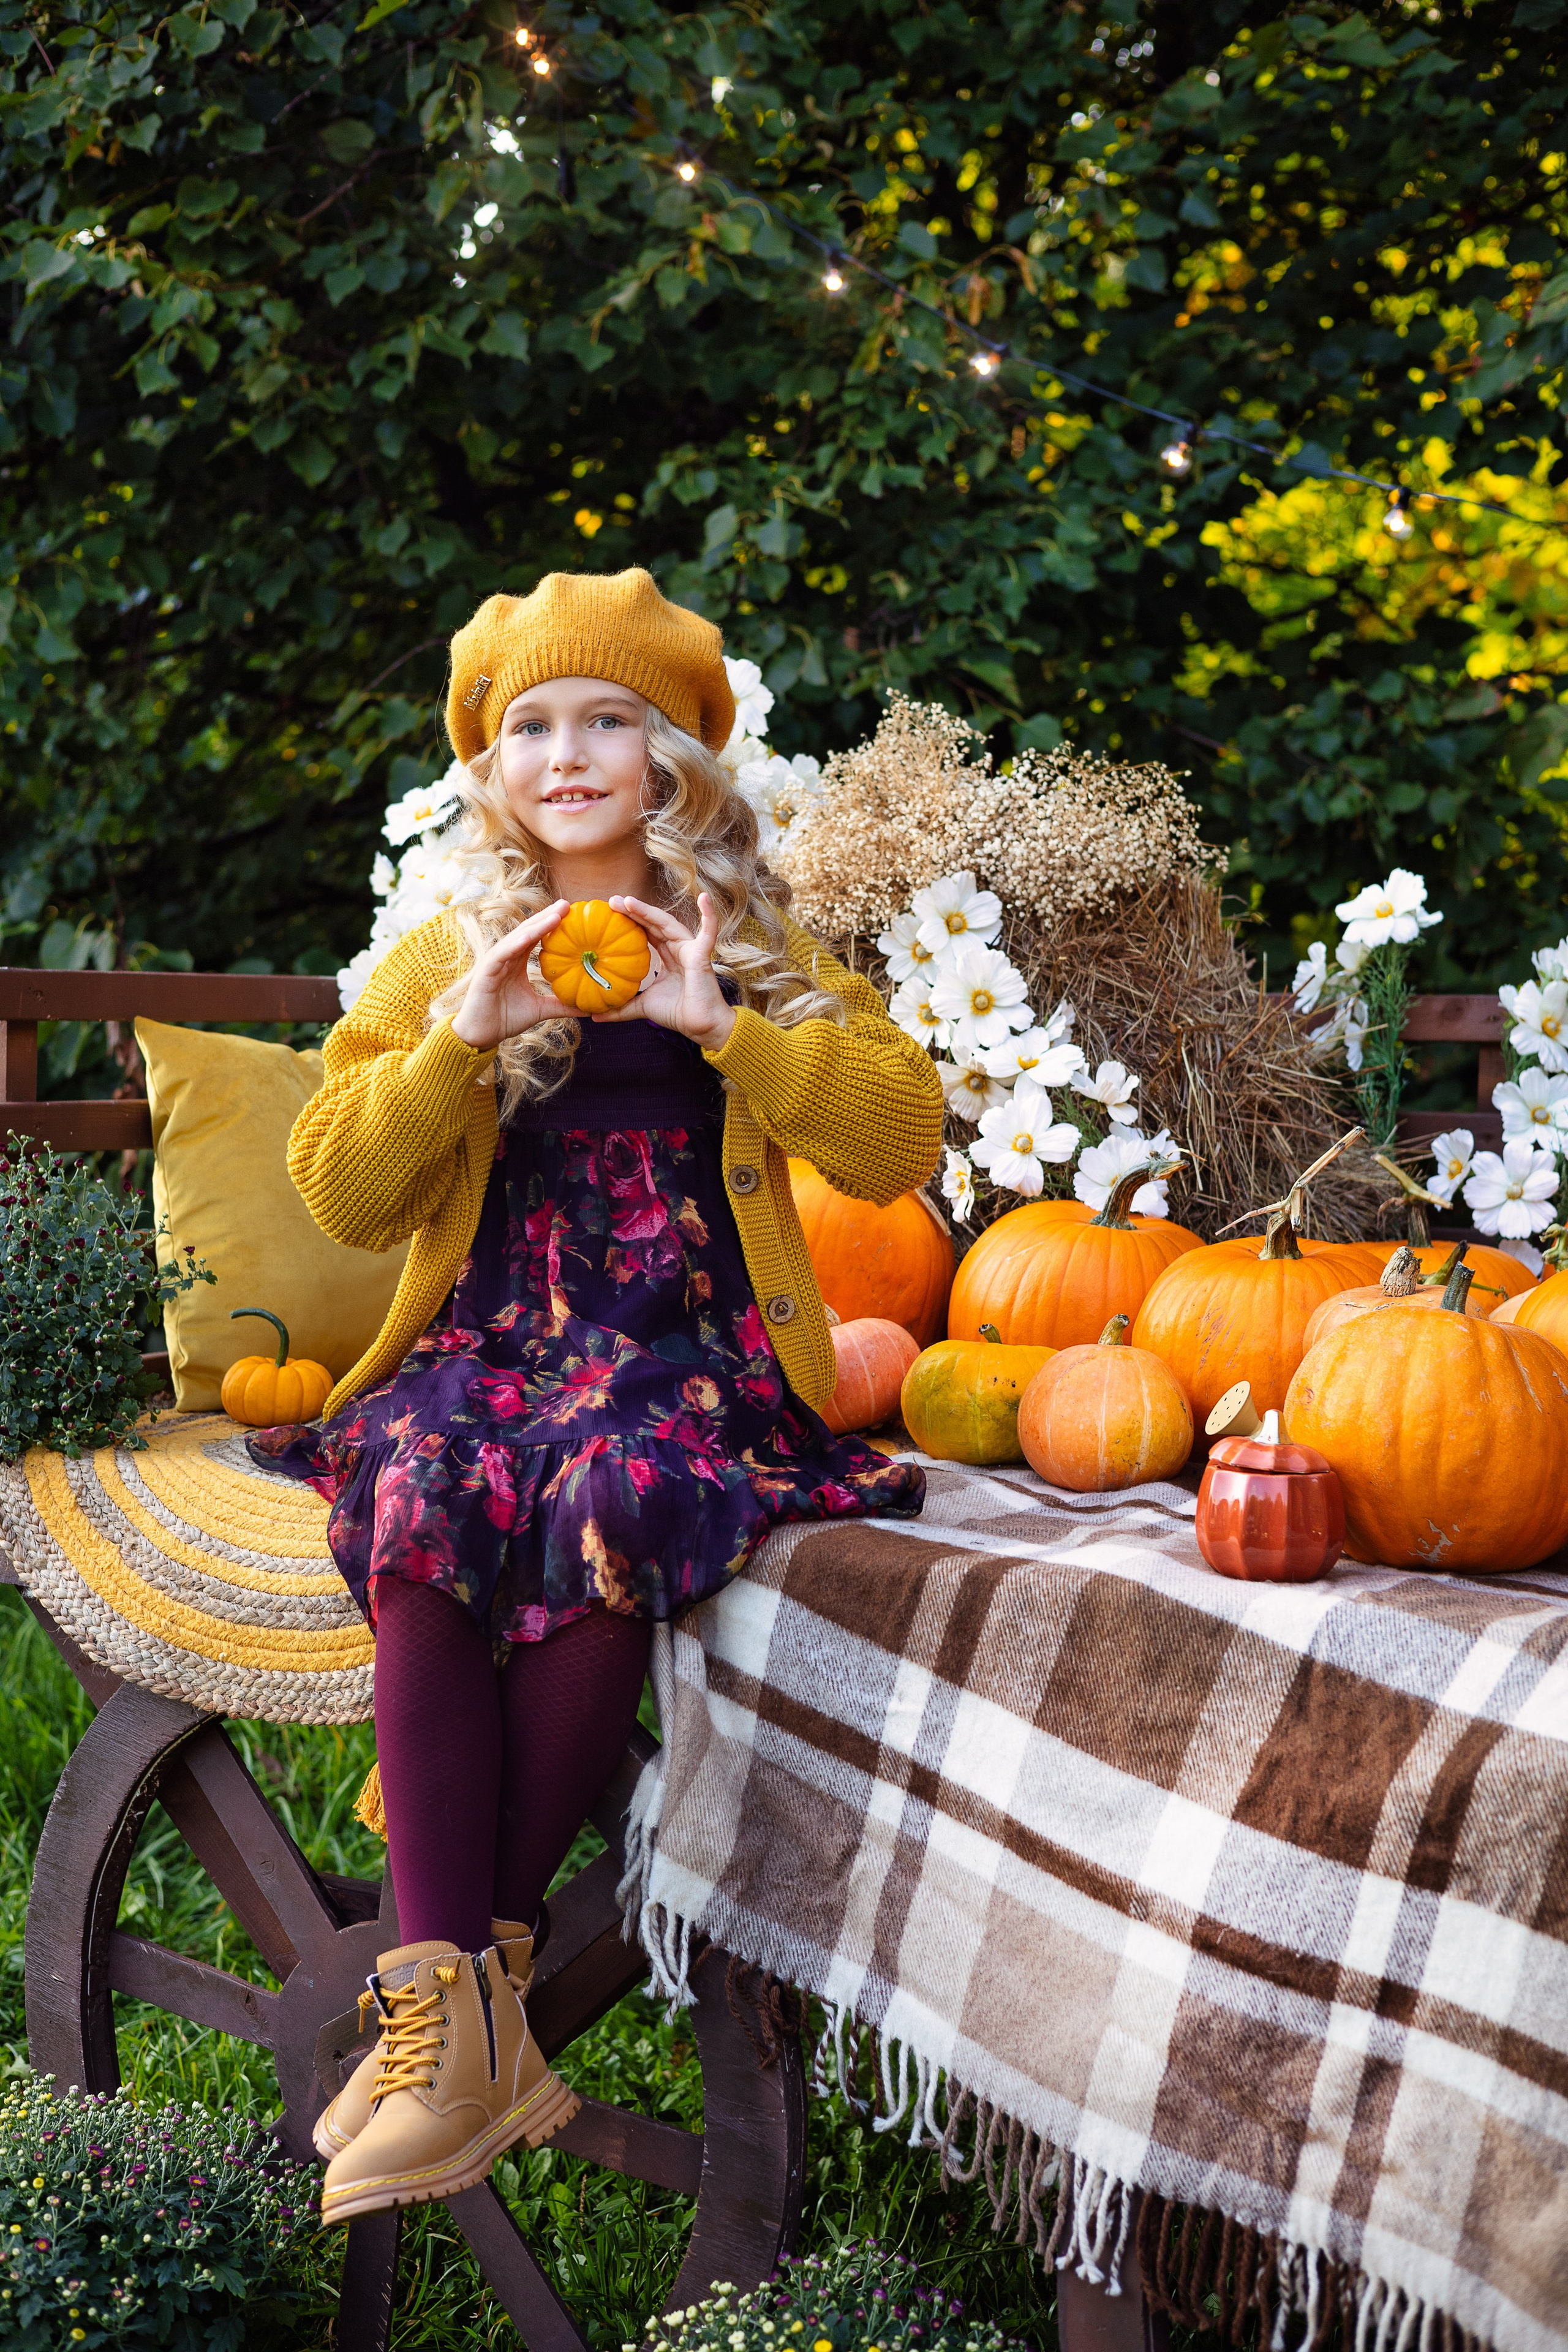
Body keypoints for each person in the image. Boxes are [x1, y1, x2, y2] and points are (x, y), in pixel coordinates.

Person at [254, 567, 943, 2225]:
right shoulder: (445, 953)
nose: (568, 753)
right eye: (532, 726)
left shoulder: (754, 941)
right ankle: (465, 2027)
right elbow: (339, 1193)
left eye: (608, 721)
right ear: (492, 768)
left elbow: (896, 1144)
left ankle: (445, 2048)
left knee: (620, 1493)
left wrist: (733, 1037)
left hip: (681, 1354)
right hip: (486, 1353)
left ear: (674, 757)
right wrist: (457, 1046)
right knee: (425, 1489)